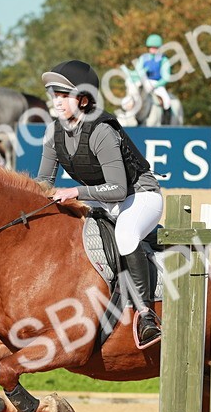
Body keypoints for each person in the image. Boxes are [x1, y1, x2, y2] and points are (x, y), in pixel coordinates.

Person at [37, 59, 163, 348]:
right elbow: (43, 182)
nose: (56, 101)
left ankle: (146, 316)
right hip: (103, 202)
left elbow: (119, 189)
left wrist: (76, 193)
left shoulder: (101, 130)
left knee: (126, 234)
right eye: (54, 94)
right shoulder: (53, 133)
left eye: (62, 95)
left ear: (83, 99)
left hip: (139, 197)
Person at [137, 34, 173, 124]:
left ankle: (166, 124)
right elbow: (138, 71)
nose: (153, 49)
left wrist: (156, 85)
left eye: (155, 48)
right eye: (151, 47)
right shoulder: (143, 58)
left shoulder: (163, 60)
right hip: (144, 83)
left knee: (167, 101)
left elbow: (166, 77)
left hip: (157, 85)